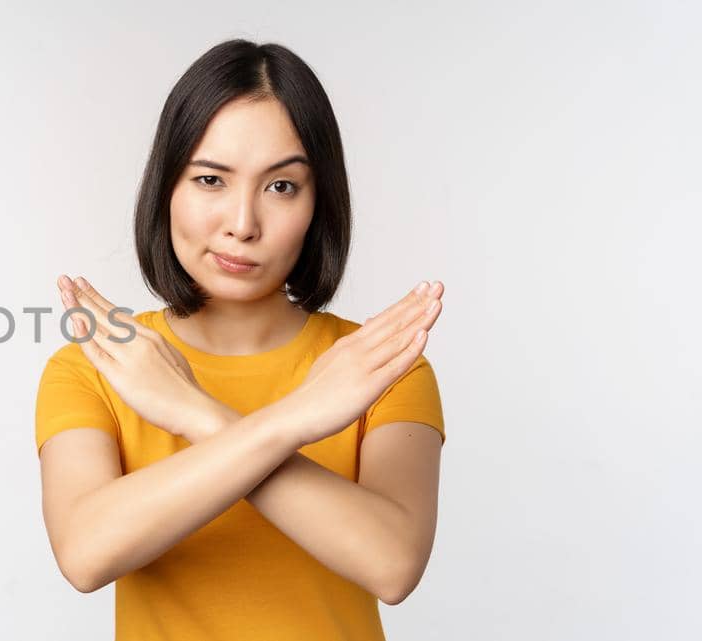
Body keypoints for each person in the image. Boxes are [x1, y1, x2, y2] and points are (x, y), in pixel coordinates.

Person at [34, 39, 447, 641]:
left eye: (281, 187)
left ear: (318, 203)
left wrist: (190, 412)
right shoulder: (98, 366)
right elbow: (86, 553)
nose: (243, 223)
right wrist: (294, 421)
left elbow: (392, 565)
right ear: (166, 188)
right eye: (210, 179)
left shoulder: (379, 366)